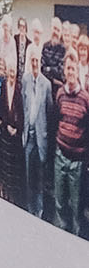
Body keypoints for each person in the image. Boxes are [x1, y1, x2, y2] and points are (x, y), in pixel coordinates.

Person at [53, 53, 89, 233]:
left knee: (76, 205)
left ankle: (75, 234)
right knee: (59, 201)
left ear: (77, 71)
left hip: (77, 162)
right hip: (60, 156)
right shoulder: (59, 94)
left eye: (73, 68)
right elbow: (55, 120)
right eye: (68, 68)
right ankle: (61, 231)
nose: (70, 71)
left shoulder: (85, 98)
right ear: (65, 71)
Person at [24, 51, 54, 219]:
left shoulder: (47, 84)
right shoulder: (25, 80)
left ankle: (40, 210)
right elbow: (24, 105)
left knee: (40, 177)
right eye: (32, 60)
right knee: (29, 176)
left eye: (37, 60)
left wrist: (45, 134)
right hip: (28, 138)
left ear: (40, 62)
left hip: (40, 140)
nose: (34, 63)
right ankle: (30, 208)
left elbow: (49, 113)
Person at [0, 55, 25, 206]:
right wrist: (5, 125)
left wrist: (17, 128)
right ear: (7, 72)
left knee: (14, 167)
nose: (12, 73)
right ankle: (4, 192)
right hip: (5, 132)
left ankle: (13, 196)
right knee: (4, 164)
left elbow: (21, 111)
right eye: (10, 71)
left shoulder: (19, 88)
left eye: (14, 71)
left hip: (15, 134)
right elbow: (1, 109)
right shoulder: (4, 86)